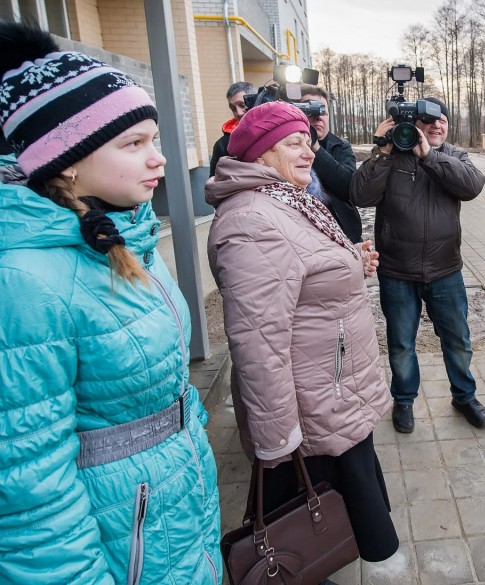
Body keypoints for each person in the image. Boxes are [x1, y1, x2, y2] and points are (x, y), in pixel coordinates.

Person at [0, 23, 221, 585]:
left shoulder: (126, 236)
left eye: (155, 139)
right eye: (134, 144)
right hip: (120, 540)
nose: (161, 160)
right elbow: (29, 494)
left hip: (171, 505)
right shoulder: (24, 280)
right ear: (66, 158)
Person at [205, 101, 398, 580]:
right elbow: (257, 342)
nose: (309, 150)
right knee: (312, 515)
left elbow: (300, 269)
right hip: (312, 402)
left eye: (308, 140)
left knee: (338, 508)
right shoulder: (250, 220)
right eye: (294, 142)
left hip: (332, 388)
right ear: (260, 152)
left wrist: (351, 260)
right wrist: (277, 443)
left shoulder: (285, 200)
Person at [351, 97, 485, 434]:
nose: (437, 126)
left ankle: (464, 396)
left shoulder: (454, 156)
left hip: (446, 270)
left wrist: (429, 156)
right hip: (397, 272)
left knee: (458, 340)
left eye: (442, 120)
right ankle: (403, 400)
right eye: (429, 122)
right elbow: (360, 195)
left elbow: (472, 186)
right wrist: (382, 152)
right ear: (414, 125)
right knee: (401, 344)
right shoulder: (391, 158)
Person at [300, 85, 362, 243]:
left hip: (344, 235)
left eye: (323, 111)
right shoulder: (284, 148)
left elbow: (347, 187)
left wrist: (316, 148)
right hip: (305, 237)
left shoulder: (340, 145)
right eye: (310, 110)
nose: (318, 117)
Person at [208, 80, 253, 176]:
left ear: (255, 100)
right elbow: (214, 184)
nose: (239, 113)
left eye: (242, 105)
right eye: (233, 108)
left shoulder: (279, 132)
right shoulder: (222, 145)